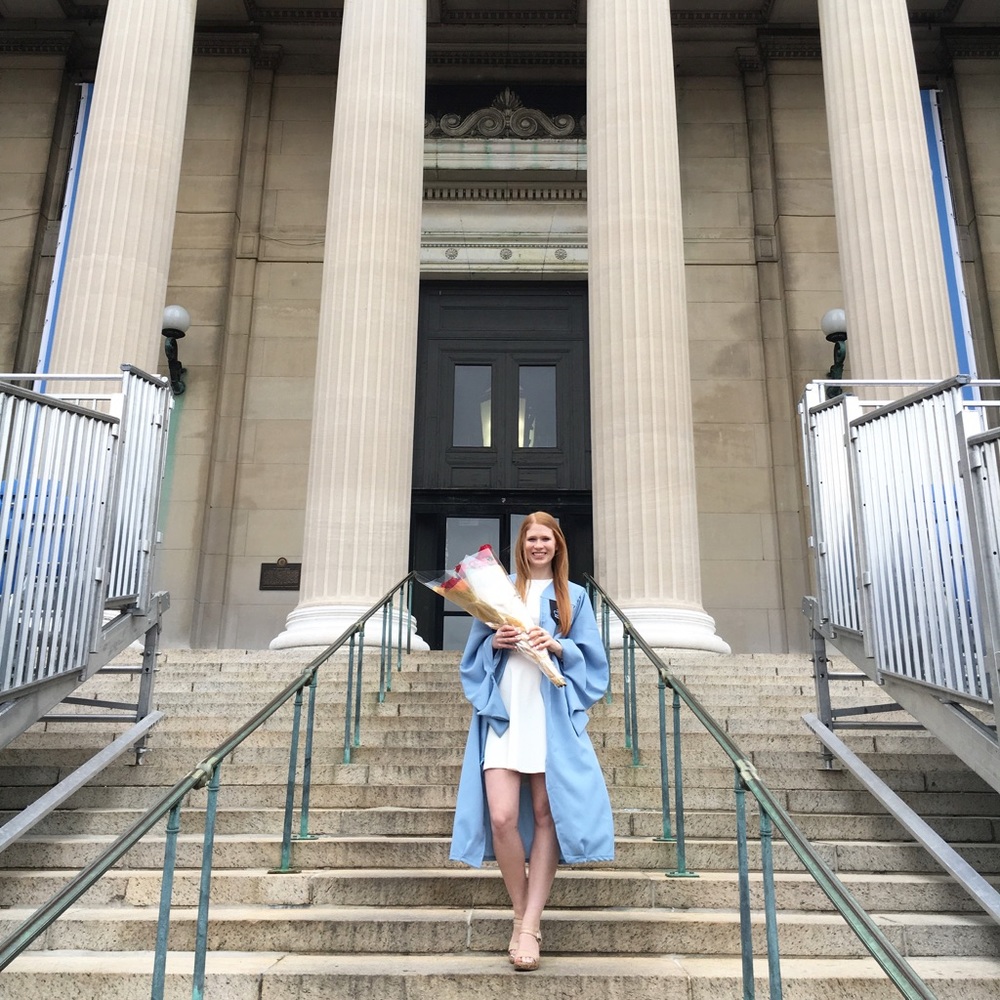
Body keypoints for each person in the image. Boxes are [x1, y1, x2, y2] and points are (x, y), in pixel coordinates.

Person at [449, 512, 615, 972]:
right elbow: (473, 660)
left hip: (547, 716)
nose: (537, 545)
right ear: (521, 545)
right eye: (530, 538)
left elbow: (594, 661)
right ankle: (521, 911)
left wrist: (560, 646)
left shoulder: (574, 598)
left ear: (557, 544)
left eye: (545, 538)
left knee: (546, 814)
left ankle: (528, 926)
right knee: (502, 817)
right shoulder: (498, 592)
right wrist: (495, 642)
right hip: (505, 713)